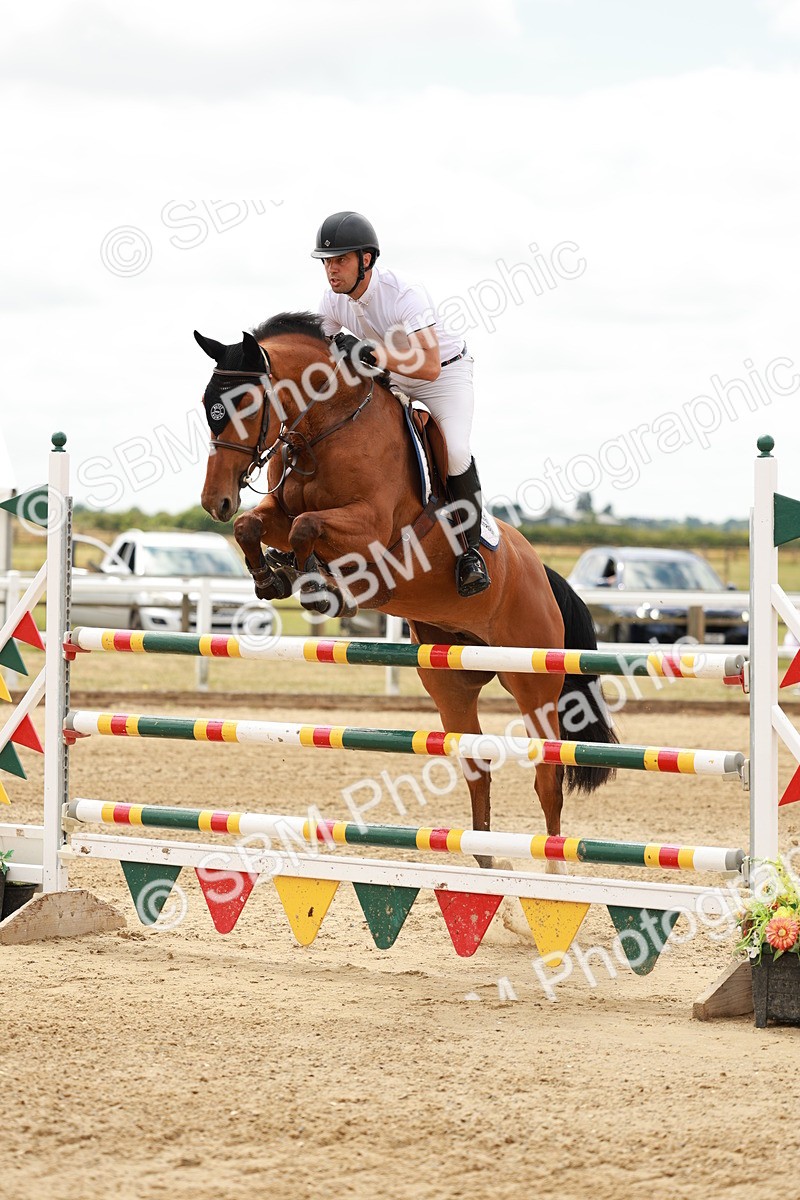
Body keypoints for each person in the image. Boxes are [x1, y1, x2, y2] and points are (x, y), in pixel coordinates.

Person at [311, 210, 491, 598]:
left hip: (444, 376)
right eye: (326, 261)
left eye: (340, 260)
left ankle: (471, 553)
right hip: (393, 378)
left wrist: (369, 352)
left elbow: (426, 366)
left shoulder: (405, 293)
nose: (331, 270)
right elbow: (316, 352)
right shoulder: (332, 300)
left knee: (456, 451)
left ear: (366, 260)